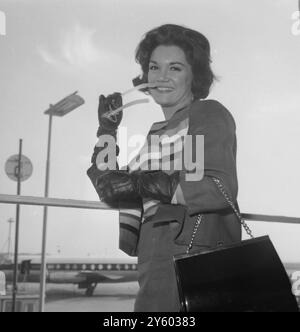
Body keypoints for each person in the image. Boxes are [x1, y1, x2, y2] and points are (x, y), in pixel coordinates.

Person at [87, 24, 241, 312]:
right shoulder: (161, 134)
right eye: (155, 67)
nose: (162, 77)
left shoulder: (203, 114)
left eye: (175, 68)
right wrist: (107, 130)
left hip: (191, 258)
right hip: (156, 259)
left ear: (195, 75)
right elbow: (108, 185)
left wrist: (145, 184)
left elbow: (215, 188)